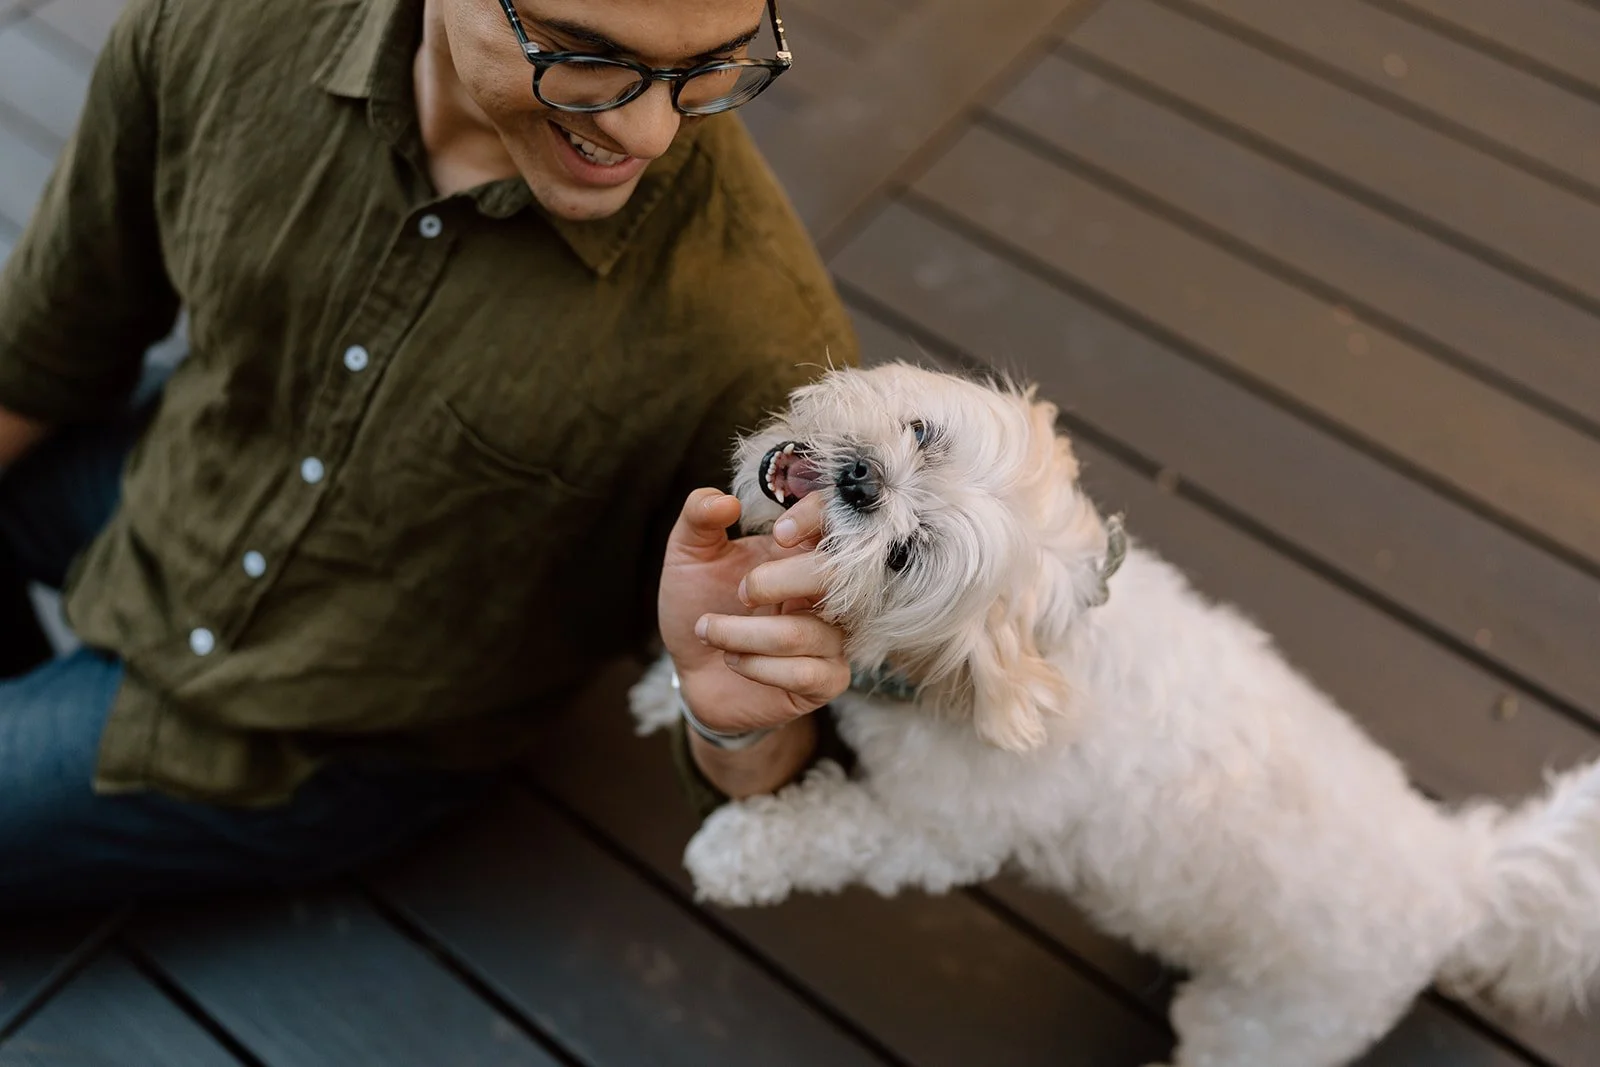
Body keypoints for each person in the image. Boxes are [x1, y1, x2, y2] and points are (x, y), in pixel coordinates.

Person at [0, 0, 857, 911]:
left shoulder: (766, 356)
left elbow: (792, 773)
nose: (649, 130)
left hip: (331, 736)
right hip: (174, 486)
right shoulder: (213, 22)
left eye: (717, 63)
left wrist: (732, 726)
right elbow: (51, 344)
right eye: (579, 52)